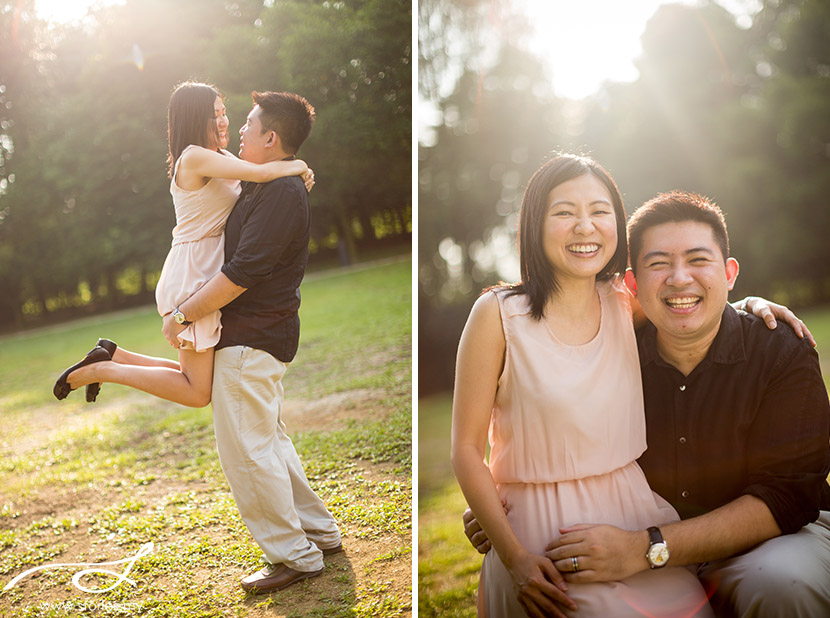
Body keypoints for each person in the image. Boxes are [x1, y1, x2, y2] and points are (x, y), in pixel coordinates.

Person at [465, 190, 830, 617]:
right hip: (640, 534)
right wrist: (506, 508)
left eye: (698, 260)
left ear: (729, 273)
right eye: (659, 264)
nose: (679, 278)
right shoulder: (614, 343)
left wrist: (648, 547)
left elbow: (787, 498)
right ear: (633, 284)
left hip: (771, 541)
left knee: (783, 583)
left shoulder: (780, 350)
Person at [451, 154, 714, 618]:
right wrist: (514, 557)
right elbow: (466, 450)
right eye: (565, 212)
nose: (585, 226)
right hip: (539, 535)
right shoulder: (496, 315)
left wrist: (754, 303)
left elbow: (692, 302)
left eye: (599, 210)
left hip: (630, 513)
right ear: (536, 222)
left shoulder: (625, 302)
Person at [158, 90, 341, 594]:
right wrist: (294, 166)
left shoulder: (279, 192)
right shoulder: (262, 182)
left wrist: (182, 313)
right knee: (269, 442)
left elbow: (241, 273)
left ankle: (293, 556)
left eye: (245, 122)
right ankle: (320, 533)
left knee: (248, 453)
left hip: (251, 334)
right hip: (256, 333)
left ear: (270, 137)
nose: (237, 128)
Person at [52, 81, 312, 407]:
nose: (224, 122)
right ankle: (104, 369)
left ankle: (113, 356)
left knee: (194, 381)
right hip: (194, 272)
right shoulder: (193, 158)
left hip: (201, 267)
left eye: (224, 113)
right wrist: (299, 166)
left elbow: (259, 192)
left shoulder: (220, 156)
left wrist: (290, 178)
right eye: (215, 115)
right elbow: (260, 175)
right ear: (195, 117)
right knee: (197, 391)